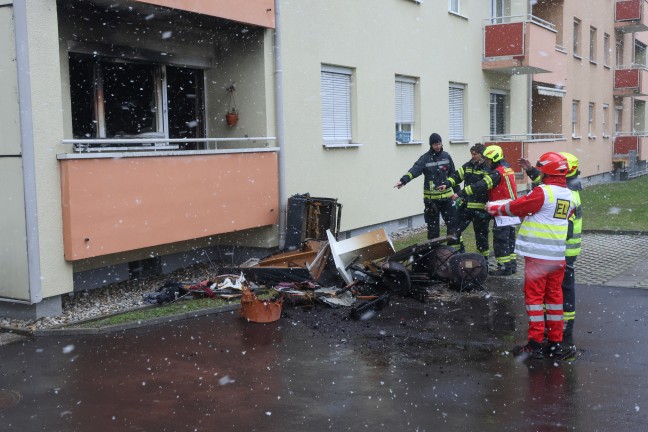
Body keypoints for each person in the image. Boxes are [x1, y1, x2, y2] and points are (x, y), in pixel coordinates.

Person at [486, 152, 576, 360]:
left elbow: (518, 206)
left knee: (534, 299)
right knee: (554, 299)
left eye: (541, 169)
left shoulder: (542, 193)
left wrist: (495, 208)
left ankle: (535, 344)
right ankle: (554, 342)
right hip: (557, 257)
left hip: (537, 257)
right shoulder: (570, 196)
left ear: (547, 171)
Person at [519, 152, 582, 350]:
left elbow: (546, 193)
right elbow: (545, 185)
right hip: (560, 249)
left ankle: (562, 327)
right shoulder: (568, 186)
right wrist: (531, 170)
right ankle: (555, 331)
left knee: (557, 291)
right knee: (555, 291)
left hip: (559, 249)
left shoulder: (567, 191)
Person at [448, 144, 517, 275]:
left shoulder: (497, 173)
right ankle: (511, 266)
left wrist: (461, 193)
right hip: (510, 208)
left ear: (494, 159)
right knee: (509, 238)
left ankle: (504, 268)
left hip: (502, 208)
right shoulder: (507, 169)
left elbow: (481, 185)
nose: (488, 162)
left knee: (501, 239)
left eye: (489, 160)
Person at [394, 133, 463, 250]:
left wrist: (459, 194)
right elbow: (414, 170)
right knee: (433, 229)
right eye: (435, 144)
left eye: (439, 144)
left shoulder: (446, 157)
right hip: (431, 201)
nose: (438, 146)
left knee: (453, 225)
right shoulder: (425, 158)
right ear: (431, 145)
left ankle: (454, 252)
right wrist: (403, 181)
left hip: (447, 200)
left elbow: (453, 177)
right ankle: (434, 254)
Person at [437, 143, 491, 260]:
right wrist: (446, 184)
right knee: (453, 229)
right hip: (465, 206)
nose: (472, 156)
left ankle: (483, 261)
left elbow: (480, 186)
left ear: (482, 155)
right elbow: (456, 176)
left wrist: (461, 193)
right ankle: (454, 256)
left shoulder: (488, 168)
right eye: (471, 154)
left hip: (480, 208)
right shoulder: (468, 165)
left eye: (475, 154)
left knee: (481, 236)